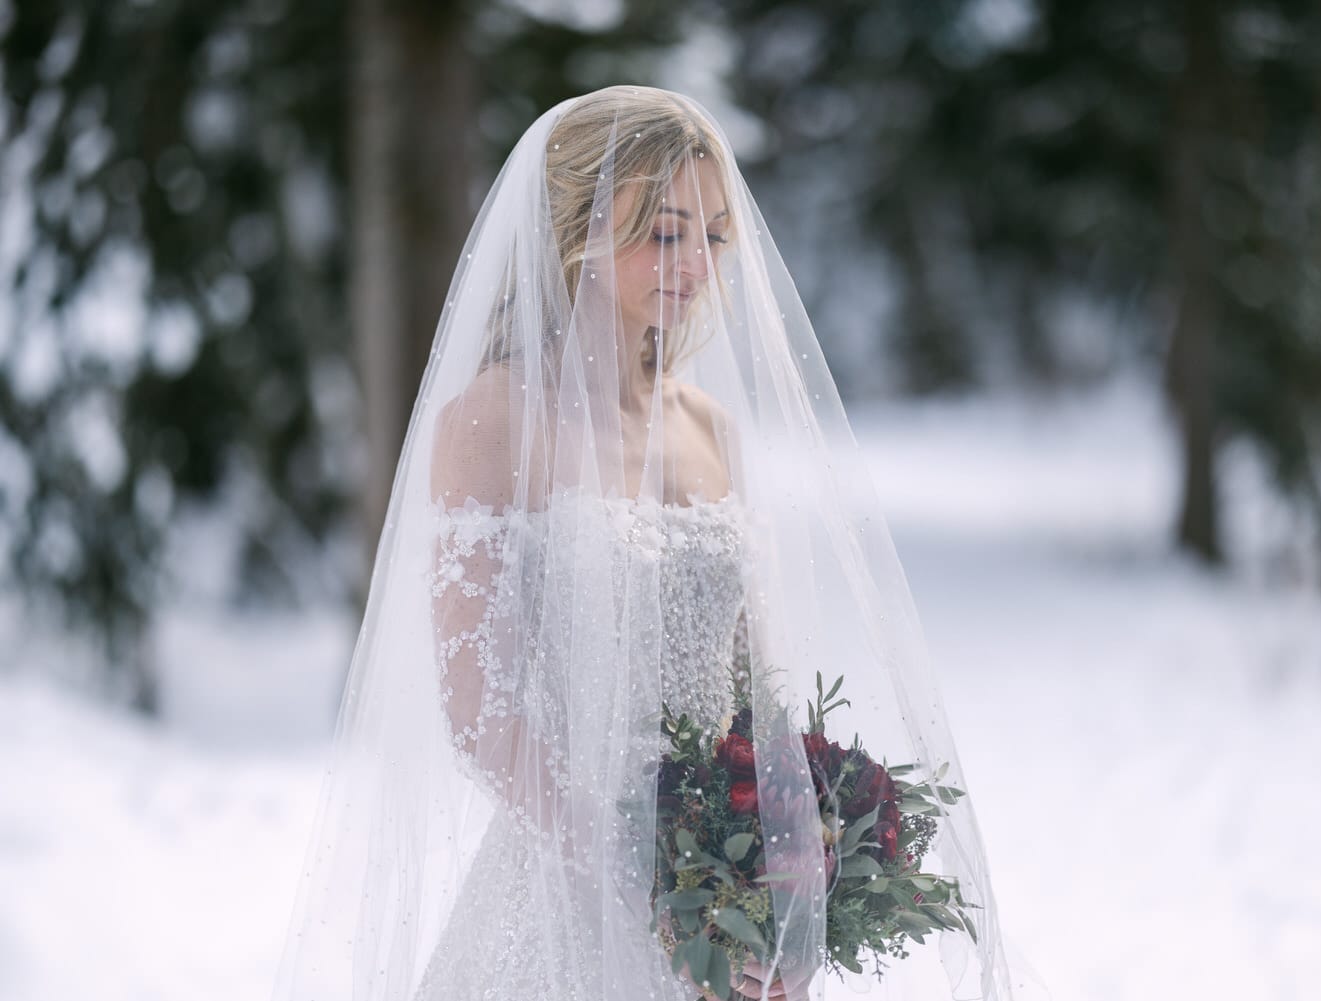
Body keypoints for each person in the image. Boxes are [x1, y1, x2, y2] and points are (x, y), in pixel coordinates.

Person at [272, 85, 1016, 1001]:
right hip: (561, 883)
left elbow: (751, 688)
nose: (696, 261)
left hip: (719, 893)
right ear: (572, 230)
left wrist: (780, 858)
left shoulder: (712, 428)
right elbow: (478, 708)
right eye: (664, 232)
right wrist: (653, 883)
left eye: (713, 234)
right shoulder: (494, 421)